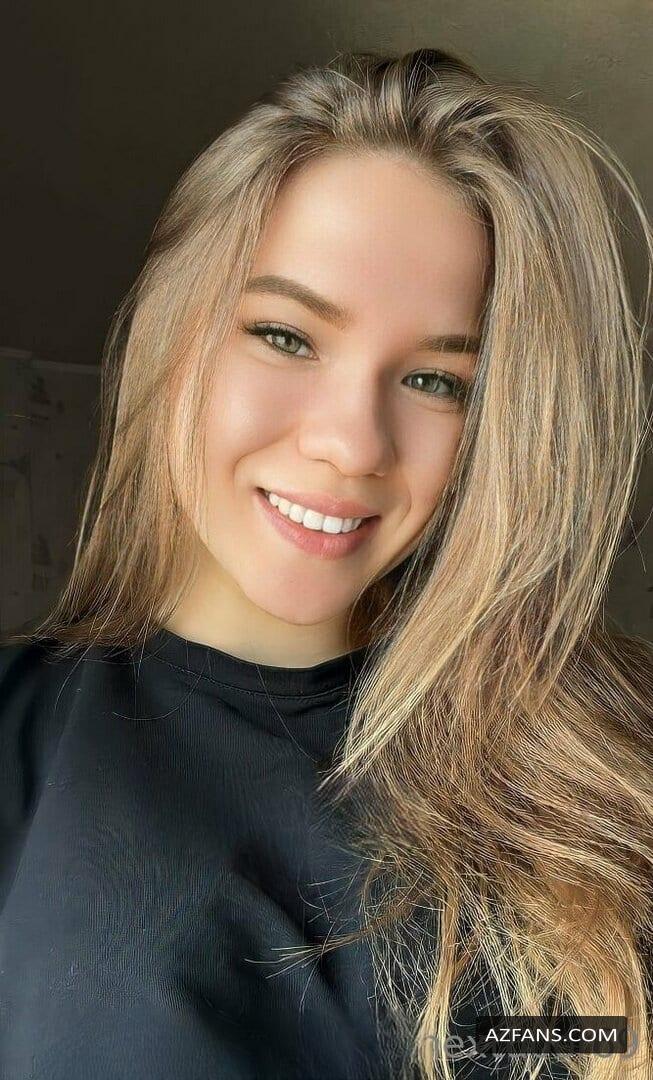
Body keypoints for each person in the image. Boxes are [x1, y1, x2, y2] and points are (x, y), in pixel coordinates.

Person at [0, 45, 651, 1080]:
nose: (351, 444)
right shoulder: (21, 737)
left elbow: (573, 1038)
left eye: (437, 383)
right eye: (287, 336)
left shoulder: (590, 769)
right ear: (174, 333)